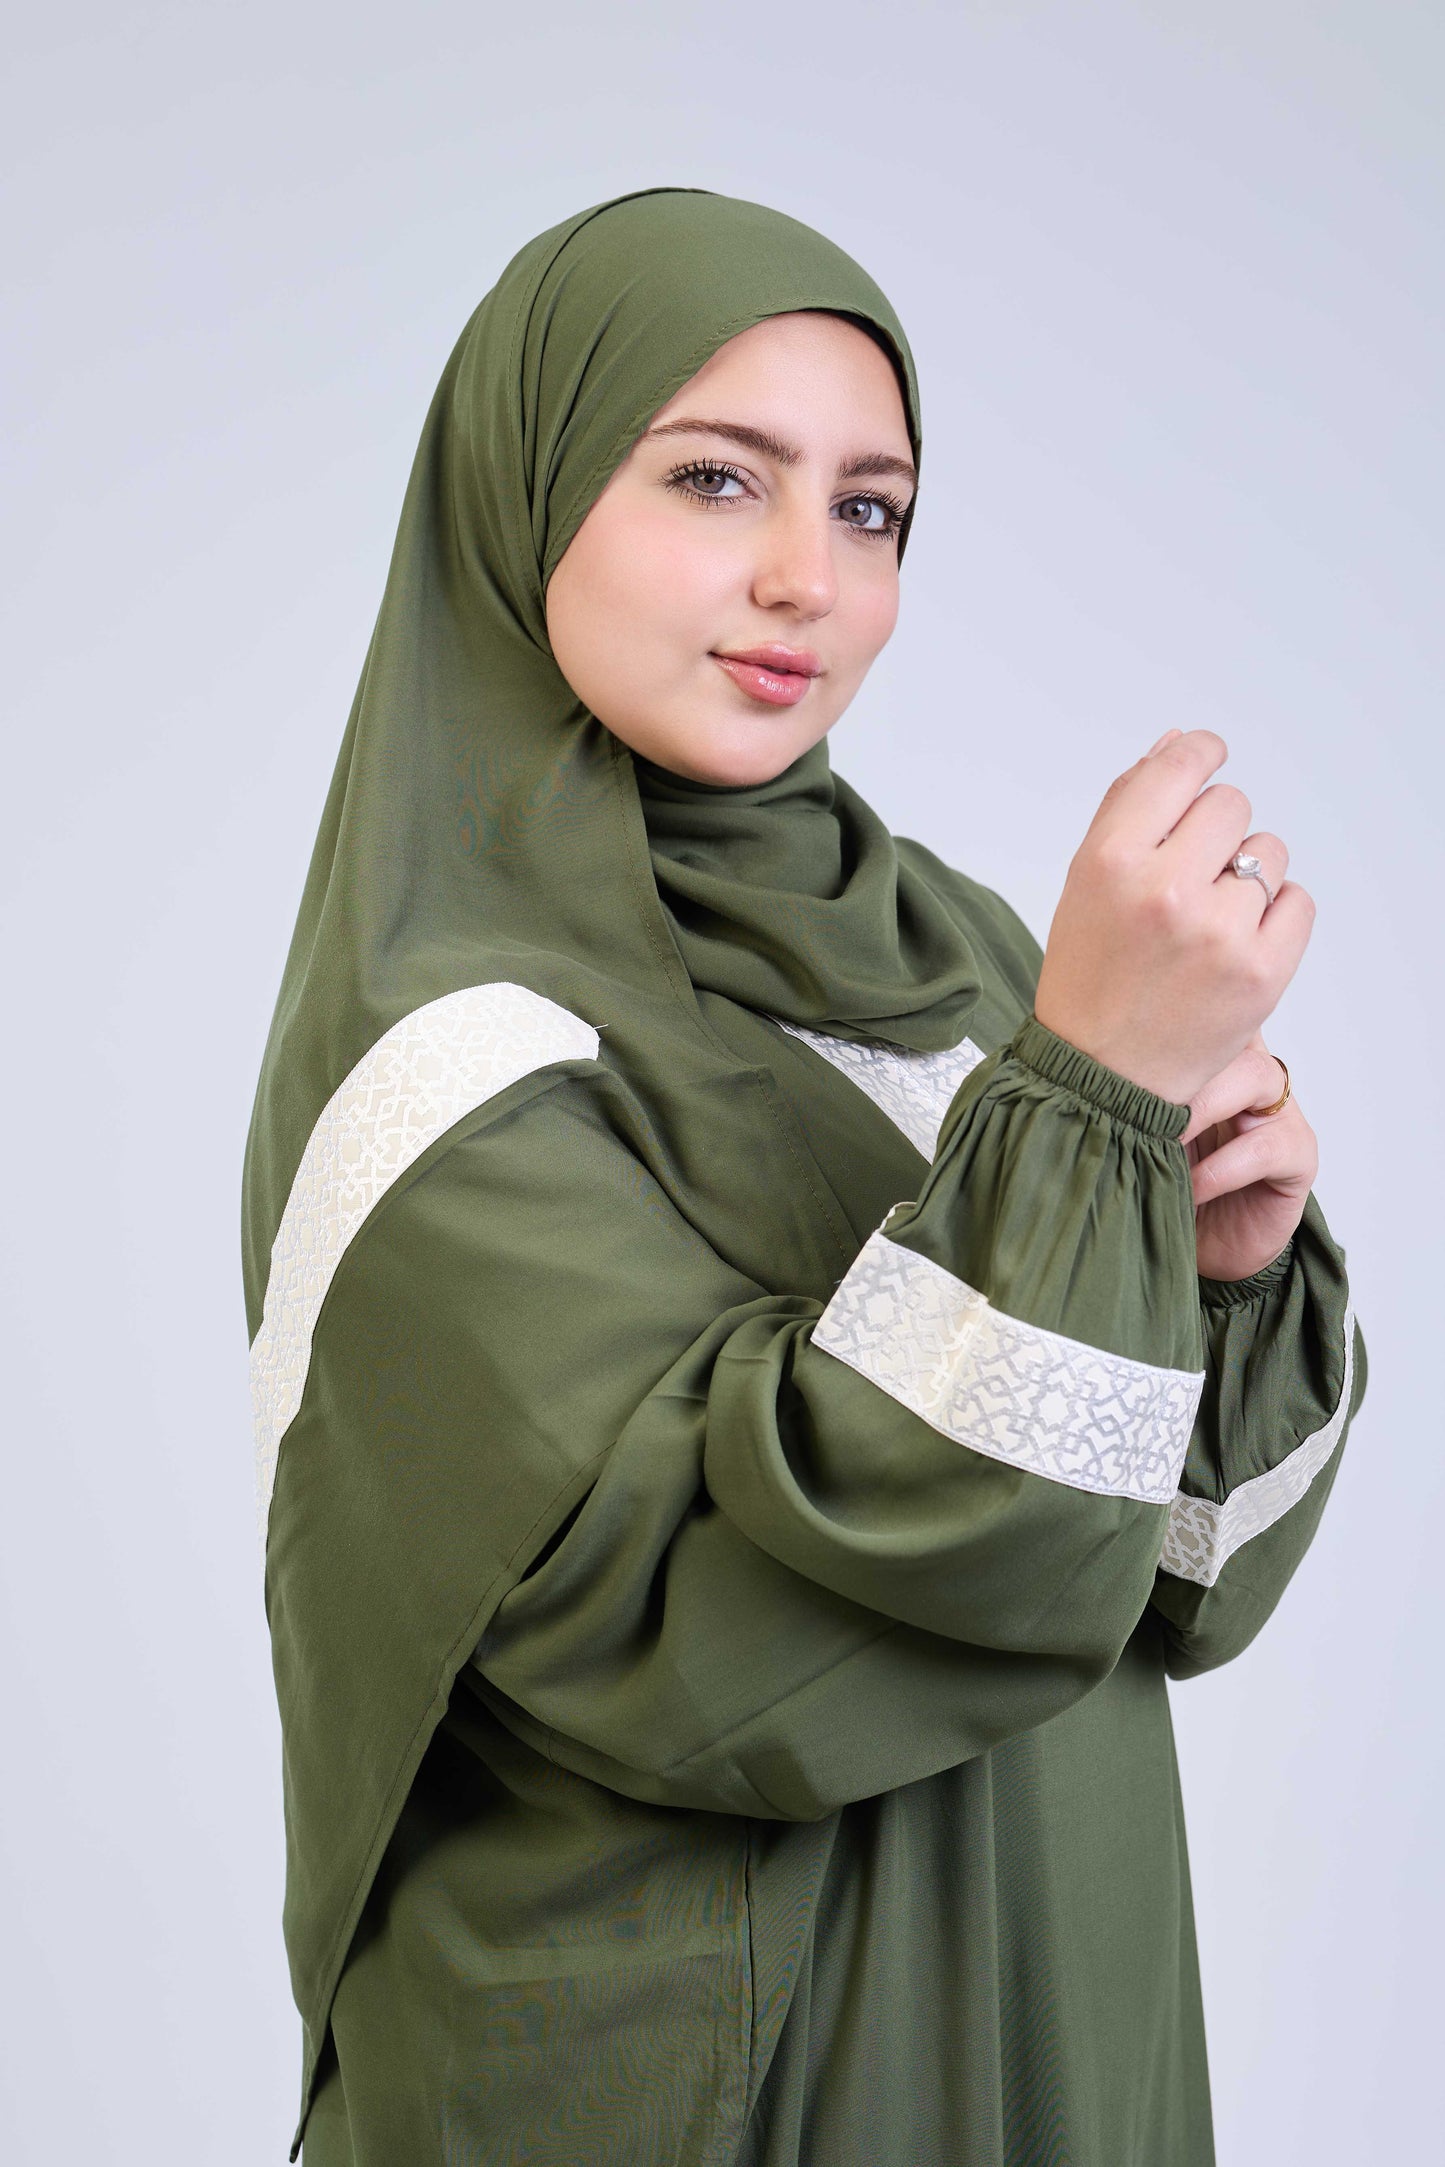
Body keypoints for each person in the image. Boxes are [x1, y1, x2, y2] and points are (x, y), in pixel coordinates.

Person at [242, 186, 1366, 2167]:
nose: (804, 579)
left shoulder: (966, 958)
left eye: (869, 509)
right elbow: (735, 1634)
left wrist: (1214, 1274)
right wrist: (1086, 1107)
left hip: (1061, 2000)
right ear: (528, 491)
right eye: (713, 479)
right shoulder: (438, 1061)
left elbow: (1169, 1585)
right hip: (720, 2089)